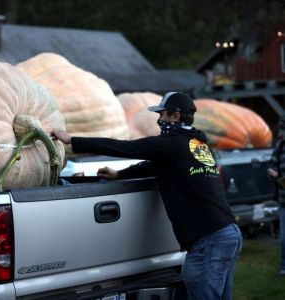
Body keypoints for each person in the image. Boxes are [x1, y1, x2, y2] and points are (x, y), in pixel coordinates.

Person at [52, 92, 242, 300]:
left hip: (208, 240)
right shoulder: (197, 144)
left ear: (175, 116)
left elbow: (122, 147)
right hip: (229, 233)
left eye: (162, 114)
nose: (159, 120)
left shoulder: (170, 144)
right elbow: (157, 164)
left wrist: (72, 140)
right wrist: (121, 174)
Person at [266, 114, 285, 276]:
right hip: (283, 199)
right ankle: (284, 266)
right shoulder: (280, 146)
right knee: (284, 238)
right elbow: (272, 164)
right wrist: (273, 172)